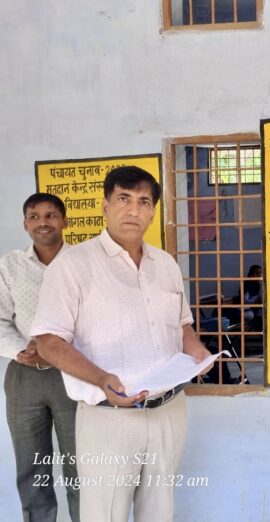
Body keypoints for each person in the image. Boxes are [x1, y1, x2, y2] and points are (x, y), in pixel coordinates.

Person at [31, 166, 212, 521]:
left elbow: (183, 324)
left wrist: (196, 350)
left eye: (144, 202)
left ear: (153, 211)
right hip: (108, 417)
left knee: (159, 513)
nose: (133, 210)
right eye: (123, 199)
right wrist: (102, 379)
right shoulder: (73, 265)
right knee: (104, 515)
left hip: (168, 411)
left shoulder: (166, 264)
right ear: (104, 205)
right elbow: (48, 341)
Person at [0, 193, 79, 521]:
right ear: (25, 223)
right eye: (34, 216)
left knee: (81, 465)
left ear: (64, 220)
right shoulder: (9, 265)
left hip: (75, 374)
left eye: (50, 215)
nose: (42, 222)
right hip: (25, 375)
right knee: (32, 467)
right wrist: (20, 351)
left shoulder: (83, 262)